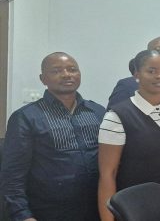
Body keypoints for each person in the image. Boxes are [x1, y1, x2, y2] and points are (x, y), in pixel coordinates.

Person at [0, 52, 106, 221]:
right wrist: (23, 216)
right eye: (56, 71)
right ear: (43, 79)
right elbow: (12, 176)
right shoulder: (27, 117)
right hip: (48, 212)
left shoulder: (97, 112)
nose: (66, 74)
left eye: (72, 69)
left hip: (96, 209)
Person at [98, 50, 160, 221]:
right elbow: (108, 173)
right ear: (136, 74)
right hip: (139, 206)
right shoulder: (117, 116)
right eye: (151, 71)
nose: (159, 76)